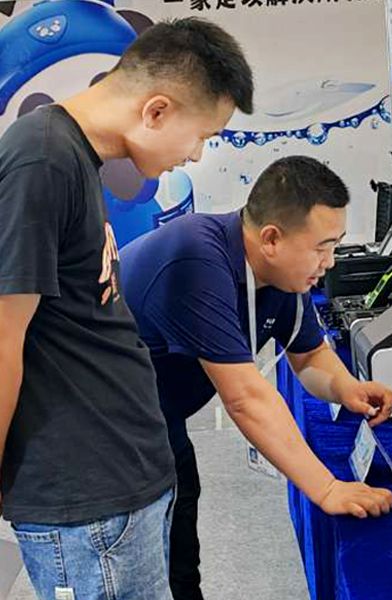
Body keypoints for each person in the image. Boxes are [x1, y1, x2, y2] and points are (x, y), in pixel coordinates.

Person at [0, 17, 254, 600]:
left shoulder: (75, 157)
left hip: (122, 478)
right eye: (202, 136)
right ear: (156, 110)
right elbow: (3, 337)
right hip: (85, 494)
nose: (195, 155)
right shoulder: (41, 159)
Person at [120, 155, 392, 600]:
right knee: (134, 570)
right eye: (322, 248)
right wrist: (327, 488)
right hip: (102, 431)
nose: (330, 262)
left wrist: (346, 388)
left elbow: (310, 354)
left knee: (181, 547)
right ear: (272, 239)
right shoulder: (196, 258)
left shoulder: (282, 277)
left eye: (335, 246)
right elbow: (245, 398)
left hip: (158, 418)